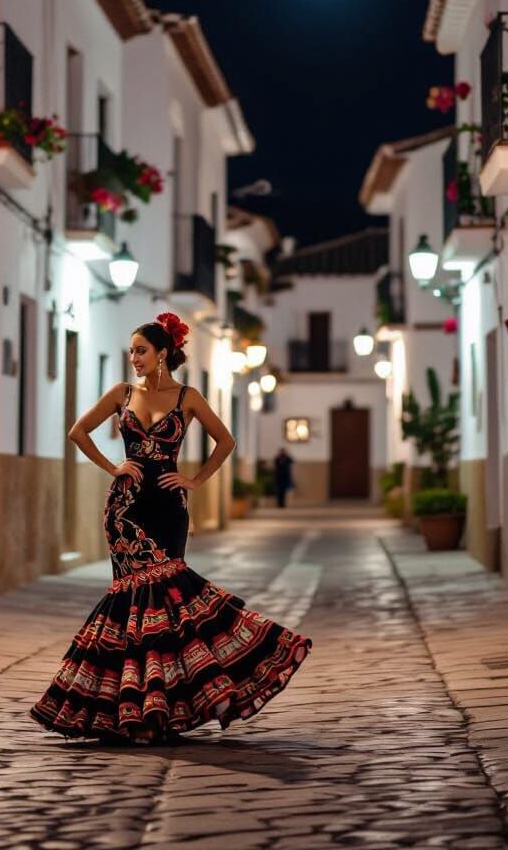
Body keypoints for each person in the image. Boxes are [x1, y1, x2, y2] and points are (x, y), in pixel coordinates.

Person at [31, 312, 311, 744]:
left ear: (163, 353)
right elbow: (78, 432)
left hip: (168, 508)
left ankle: (160, 707)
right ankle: (136, 710)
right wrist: (114, 467)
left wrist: (194, 481)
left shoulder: (187, 397)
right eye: (131, 351)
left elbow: (226, 441)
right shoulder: (122, 393)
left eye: (141, 351)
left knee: (169, 602)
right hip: (125, 511)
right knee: (133, 602)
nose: (134, 358)